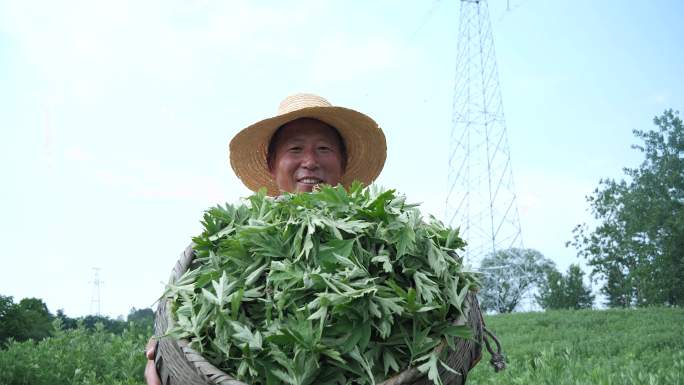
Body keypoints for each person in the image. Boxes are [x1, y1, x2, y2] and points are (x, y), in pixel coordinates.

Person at [144, 93, 387, 384]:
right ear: (272, 164)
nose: (310, 161)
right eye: (296, 149)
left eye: (324, 149)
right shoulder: (232, 238)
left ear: (343, 163)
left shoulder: (376, 235)